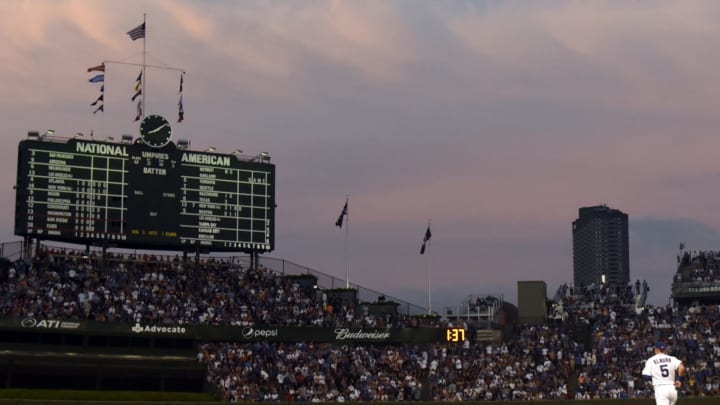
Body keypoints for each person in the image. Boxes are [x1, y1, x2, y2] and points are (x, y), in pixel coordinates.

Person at [642, 341, 686, 405]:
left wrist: (654, 378)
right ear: (664, 349)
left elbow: (645, 376)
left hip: (660, 389)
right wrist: (679, 379)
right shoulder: (671, 358)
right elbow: (682, 368)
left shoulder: (651, 360)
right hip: (672, 389)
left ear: (656, 349)